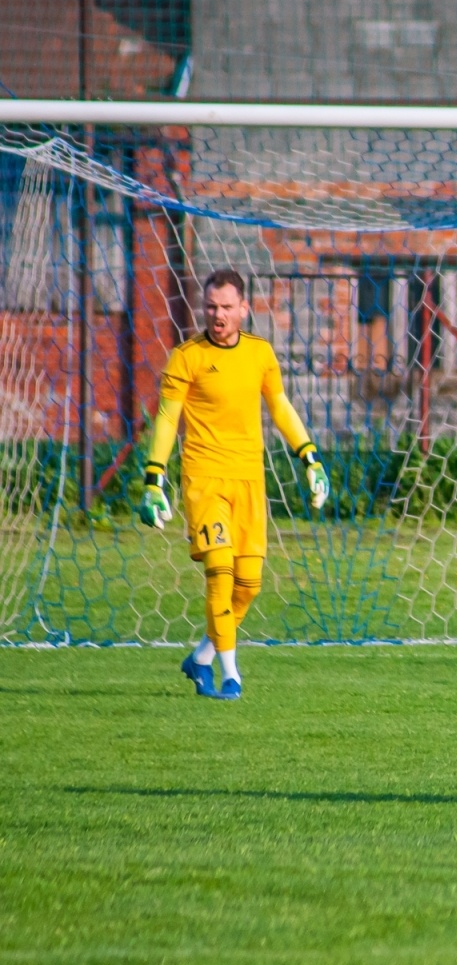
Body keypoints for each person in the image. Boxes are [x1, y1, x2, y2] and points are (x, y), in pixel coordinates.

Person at [138, 268, 330, 700]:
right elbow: (169, 418)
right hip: (203, 478)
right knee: (220, 572)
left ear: (245, 308)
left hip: (248, 478)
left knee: (249, 583)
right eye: (210, 306)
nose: (217, 314)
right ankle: (231, 676)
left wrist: (310, 457)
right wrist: (154, 478)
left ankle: (202, 656)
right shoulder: (186, 356)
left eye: (226, 306)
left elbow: (279, 405)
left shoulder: (259, 353)